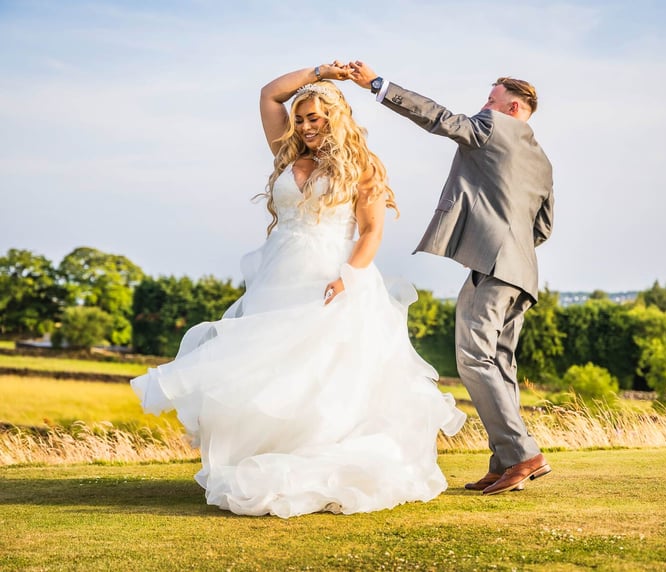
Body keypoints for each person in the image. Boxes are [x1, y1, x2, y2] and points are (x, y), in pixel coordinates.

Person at [130, 63, 465, 518]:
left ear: (335, 118)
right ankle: (262, 459)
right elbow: (270, 94)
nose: (305, 127)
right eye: (301, 118)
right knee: (266, 371)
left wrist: (348, 277)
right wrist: (322, 71)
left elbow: (371, 232)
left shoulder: (361, 166)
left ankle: (316, 461)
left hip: (332, 279)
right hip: (277, 279)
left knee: (320, 376)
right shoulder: (286, 155)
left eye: (315, 118)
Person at [348, 61, 554, 496]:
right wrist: (510, 244)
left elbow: (439, 117)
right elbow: (543, 228)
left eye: (491, 100)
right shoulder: (542, 160)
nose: (483, 106)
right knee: (500, 365)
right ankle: (505, 463)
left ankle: (523, 455)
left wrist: (377, 85)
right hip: (523, 273)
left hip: (494, 267)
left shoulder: (492, 127)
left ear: (512, 108)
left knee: (473, 360)